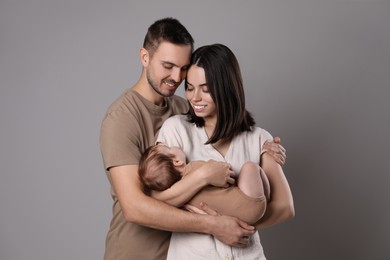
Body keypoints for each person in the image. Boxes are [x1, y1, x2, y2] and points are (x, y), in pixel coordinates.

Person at [100, 17, 287, 260]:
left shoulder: (184, 109)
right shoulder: (122, 118)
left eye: (183, 68)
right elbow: (135, 207)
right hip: (138, 251)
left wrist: (268, 151)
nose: (176, 77)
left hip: (180, 248)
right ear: (145, 57)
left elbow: (217, 124)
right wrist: (213, 221)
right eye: (168, 65)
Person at [156, 43, 294, 259]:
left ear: (226, 87)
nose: (195, 98)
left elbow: (285, 207)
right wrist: (212, 221)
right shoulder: (175, 130)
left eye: (206, 88)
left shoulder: (259, 139)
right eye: (190, 88)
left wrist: (240, 228)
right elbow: (157, 201)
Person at [139, 143, 270, 224]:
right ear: (177, 162)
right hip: (252, 201)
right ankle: (267, 196)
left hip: (240, 217)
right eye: (169, 147)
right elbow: (226, 173)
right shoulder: (196, 167)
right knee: (250, 167)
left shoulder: (182, 200)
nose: (173, 145)